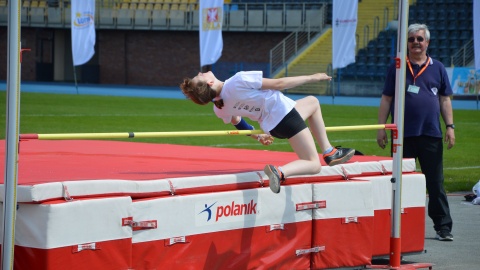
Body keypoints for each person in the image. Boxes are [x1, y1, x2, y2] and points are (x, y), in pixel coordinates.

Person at [180, 70, 355, 194]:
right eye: (199, 76)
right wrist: (313, 77)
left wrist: (258, 136)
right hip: (285, 115)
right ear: (209, 83)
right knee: (313, 164)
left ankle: (330, 151)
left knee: (312, 102)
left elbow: (237, 122)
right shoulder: (237, 80)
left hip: (274, 128)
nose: (201, 73)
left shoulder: (219, 108)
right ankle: (279, 172)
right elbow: (279, 84)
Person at [376, 23, 455, 241]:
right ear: (407, 43)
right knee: (398, 181)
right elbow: (386, 99)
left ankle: (443, 227)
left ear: (427, 42)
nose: (416, 43)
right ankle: (396, 226)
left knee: (435, 182)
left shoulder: (437, 67)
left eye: (420, 39)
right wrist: (382, 128)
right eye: (412, 39)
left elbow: (445, 99)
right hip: (402, 136)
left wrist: (450, 126)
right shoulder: (398, 67)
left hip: (431, 134)